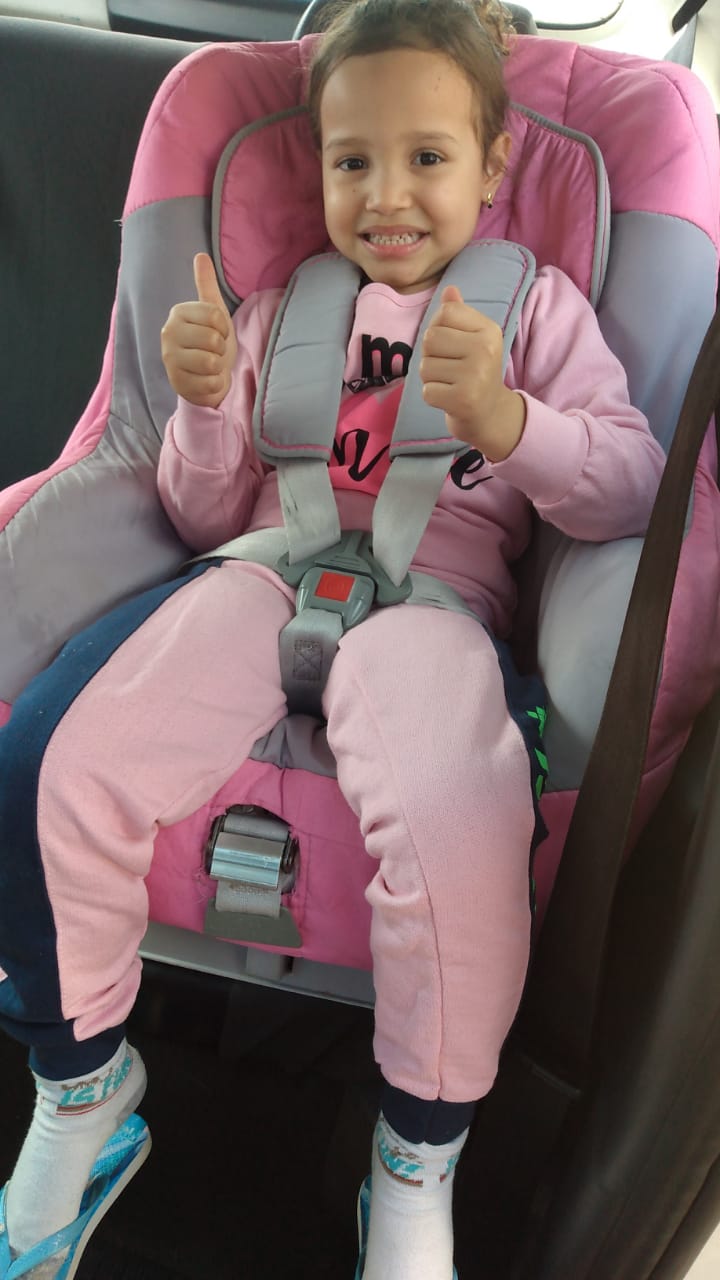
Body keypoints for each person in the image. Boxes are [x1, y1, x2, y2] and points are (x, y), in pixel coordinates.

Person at [0, 2, 666, 1278]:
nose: (387, 194)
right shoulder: (279, 308)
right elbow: (201, 513)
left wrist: (511, 421)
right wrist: (205, 406)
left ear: (494, 164)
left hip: (437, 602)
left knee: (458, 819)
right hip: (261, 565)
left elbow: (632, 484)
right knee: (58, 762)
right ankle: (83, 1083)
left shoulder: (535, 311)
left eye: (428, 157)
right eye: (354, 160)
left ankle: (416, 1160)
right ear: (319, 167)